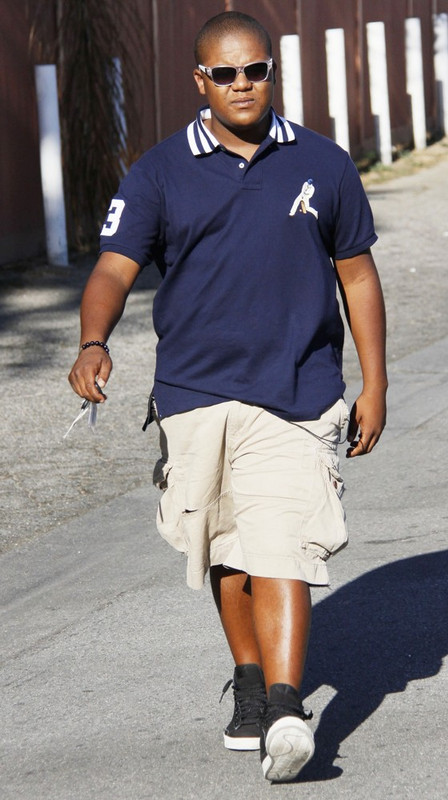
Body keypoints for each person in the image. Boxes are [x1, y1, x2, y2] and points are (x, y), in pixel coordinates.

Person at [68, 11, 387, 783]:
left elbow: (358, 274)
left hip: (299, 391)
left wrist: (376, 380)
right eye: (227, 74)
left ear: (272, 72)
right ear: (199, 80)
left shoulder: (323, 162)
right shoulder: (159, 171)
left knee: (283, 540)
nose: (244, 85)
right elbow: (115, 267)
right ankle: (250, 681)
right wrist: (92, 338)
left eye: (257, 71)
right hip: (195, 393)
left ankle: (285, 707)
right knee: (224, 550)